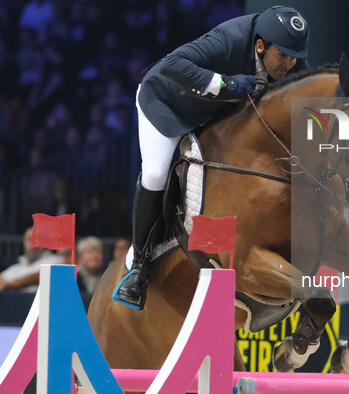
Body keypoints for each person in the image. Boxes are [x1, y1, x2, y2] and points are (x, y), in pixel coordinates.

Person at [116, 6, 310, 308]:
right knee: (155, 173)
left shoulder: (291, 61)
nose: (289, 63)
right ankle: (139, 267)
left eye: (294, 56)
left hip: (212, 115)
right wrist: (228, 83)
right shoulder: (228, 39)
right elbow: (172, 65)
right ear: (260, 45)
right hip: (167, 104)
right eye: (282, 56)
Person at [0, 227, 65, 292]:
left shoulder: (56, 260)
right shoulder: (16, 268)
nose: (34, 244)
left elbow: (42, 276)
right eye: (30, 239)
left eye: (38, 240)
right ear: (24, 243)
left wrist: (10, 285)